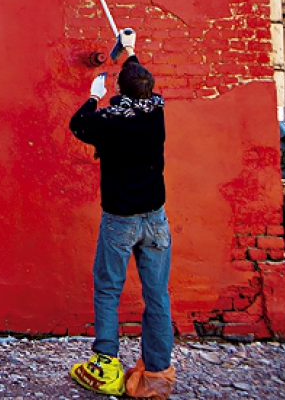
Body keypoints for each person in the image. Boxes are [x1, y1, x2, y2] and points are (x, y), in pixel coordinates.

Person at [68, 29, 176, 399]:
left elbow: (78, 124)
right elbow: (138, 79)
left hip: (120, 220)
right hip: (155, 219)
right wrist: (129, 50)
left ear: (120, 90)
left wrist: (93, 95)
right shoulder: (155, 112)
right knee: (157, 295)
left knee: (108, 289)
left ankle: (106, 365)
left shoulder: (109, 123)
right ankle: (157, 375)